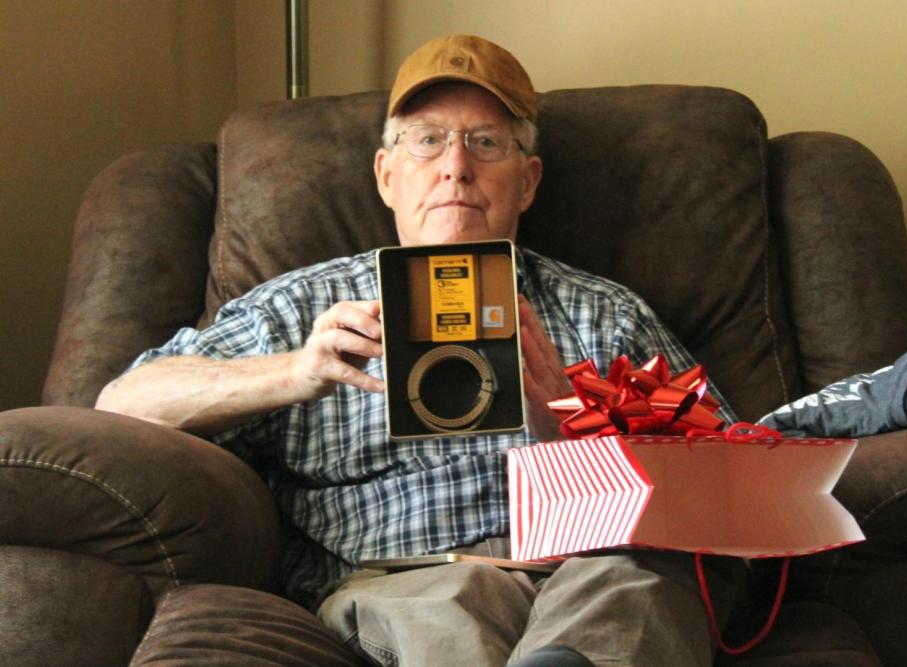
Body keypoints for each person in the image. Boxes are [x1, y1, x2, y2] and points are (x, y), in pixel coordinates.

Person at [96, 35, 746, 666]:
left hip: (587, 571)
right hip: (408, 580)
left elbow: (734, 491)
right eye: (427, 139)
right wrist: (294, 371)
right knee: (451, 605)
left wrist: (573, 429)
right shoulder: (304, 309)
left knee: (635, 588)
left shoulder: (606, 315)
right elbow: (122, 406)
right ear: (386, 174)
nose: (455, 165)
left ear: (527, 180)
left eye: (486, 142)